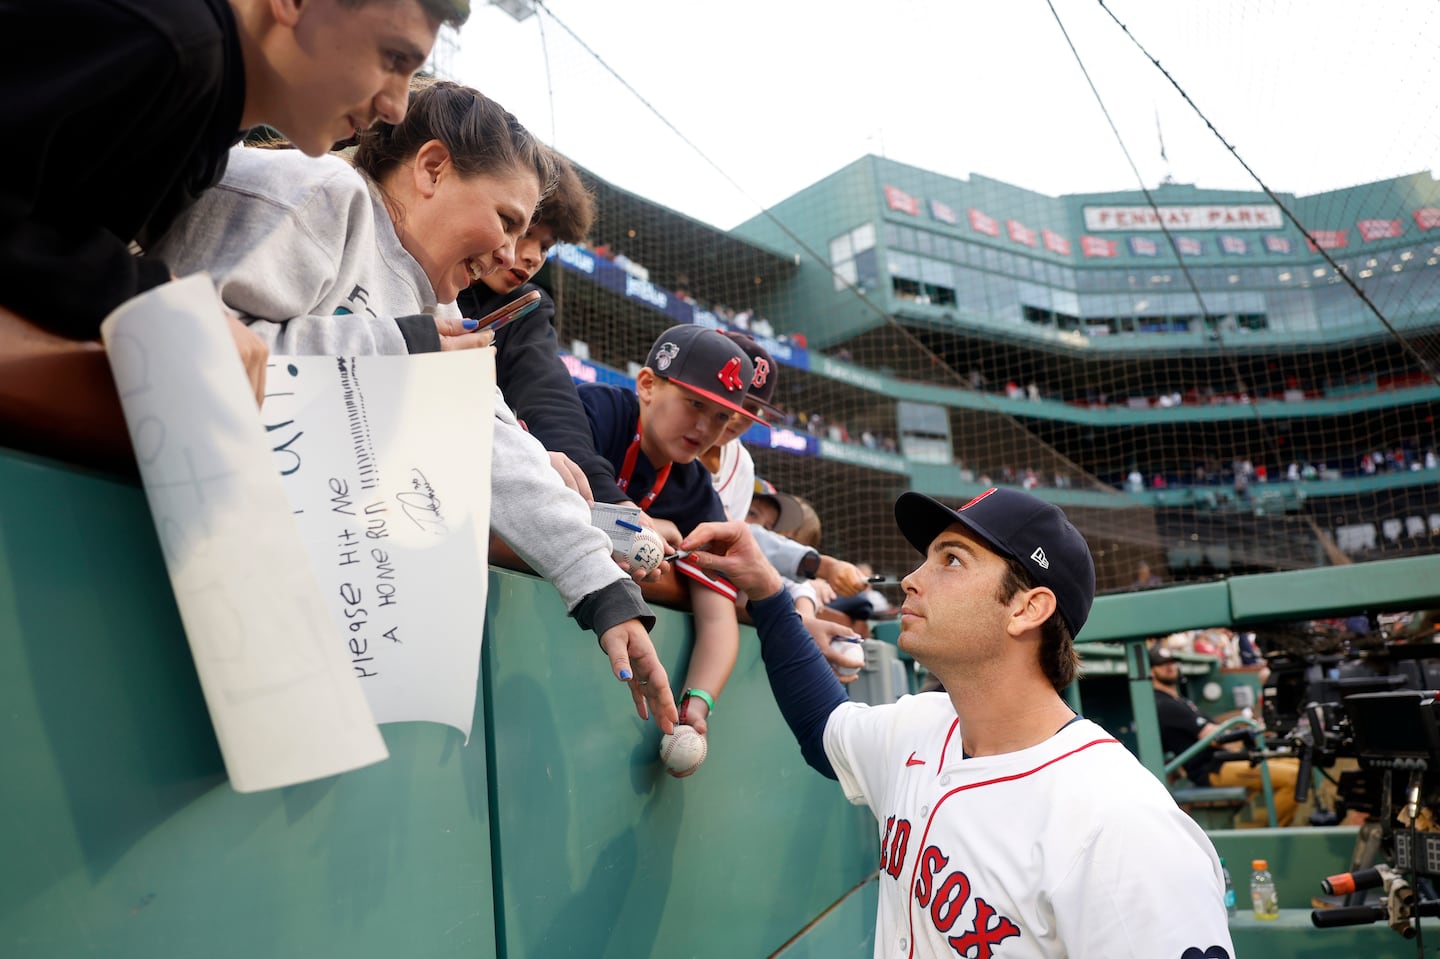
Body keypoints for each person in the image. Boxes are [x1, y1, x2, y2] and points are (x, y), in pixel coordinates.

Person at [153, 80, 677, 732]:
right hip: (143, 578)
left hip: (251, 623)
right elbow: (178, 341)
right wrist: (399, 346)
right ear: (431, 169)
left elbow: (498, 447)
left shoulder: (436, 308)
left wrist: (602, 590)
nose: (511, 256)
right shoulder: (323, 192)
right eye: (507, 220)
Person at [679, 488, 1235, 957]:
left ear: (1026, 609)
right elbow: (823, 729)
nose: (911, 580)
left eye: (952, 560)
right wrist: (769, 592)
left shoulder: (1122, 826)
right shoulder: (923, 726)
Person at [1, 0, 468, 467]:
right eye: (392, 58)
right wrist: (159, 300)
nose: (396, 106)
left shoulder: (209, 94)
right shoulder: (167, 38)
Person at [578, 325, 765, 770]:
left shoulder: (696, 485)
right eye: (695, 404)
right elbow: (540, 505)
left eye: (721, 417)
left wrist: (698, 700)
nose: (705, 428)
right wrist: (647, 525)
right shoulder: (595, 410)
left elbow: (718, 610)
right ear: (647, 385)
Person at [455, 150, 612, 502]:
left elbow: (547, 391)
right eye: (521, 229)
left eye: (546, 246)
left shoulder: (525, 304)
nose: (532, 256)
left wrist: (602, 492)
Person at [1151, 646, 1299, 826]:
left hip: (1222, 760)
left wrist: (1234, 734)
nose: (1169, 667)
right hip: (1211, 769)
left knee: (1296, 762)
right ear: (1151, 671)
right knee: (1292, 778)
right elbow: (1215, 739)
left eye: (1171, 662)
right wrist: (1235, 736)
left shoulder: (1178, 699)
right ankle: (1262, 838)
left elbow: (1216, 729)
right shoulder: (1164, 704)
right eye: (1161, 664)